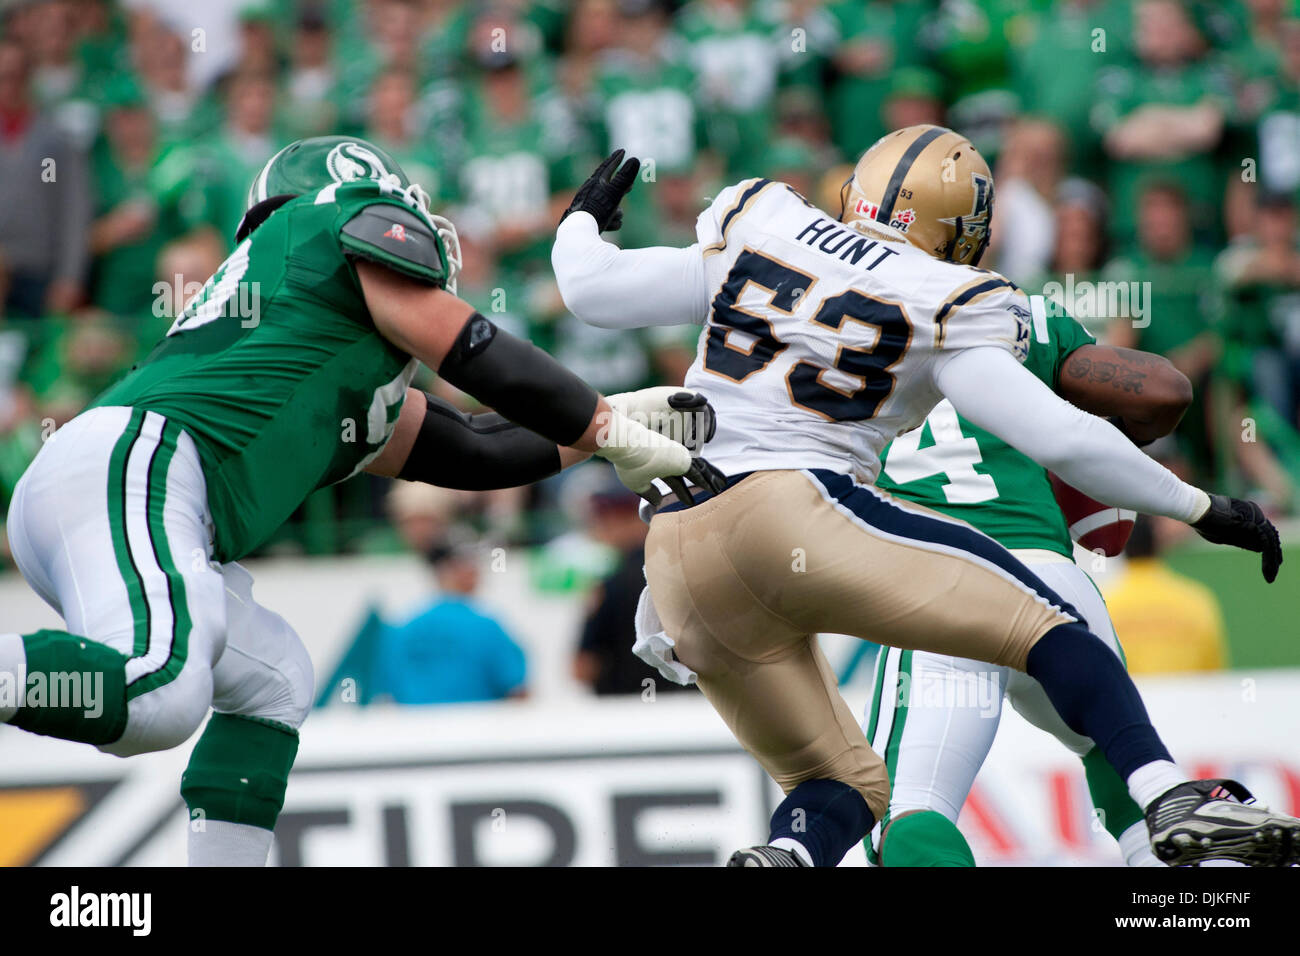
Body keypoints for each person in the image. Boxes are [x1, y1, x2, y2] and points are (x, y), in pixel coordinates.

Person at [551, 128, 1291, 868]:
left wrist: (582, 220)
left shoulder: (763, 222)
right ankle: (1166, 792)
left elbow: (588, 290)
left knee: (847, 785)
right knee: (1050, 624)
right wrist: (1200, 507)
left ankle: (786, 856)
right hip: (798, 507)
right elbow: (1066, 438)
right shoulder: (952, 299)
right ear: (963, 228)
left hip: (680, 557)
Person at [0, 135, 709, 866]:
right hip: (139, 467)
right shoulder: (328, 218)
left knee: (274, 680)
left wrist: (617, 417)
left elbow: (477, 445)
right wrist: (601, 422)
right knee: (161, 693)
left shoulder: (317, 345)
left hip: (117, 487)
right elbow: (472, 349)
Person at [865, 312, 1193, 868]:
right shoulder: (1016, 314)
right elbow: (1163, 393)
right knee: (1133, 780)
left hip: (945, 583)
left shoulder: (831, 324)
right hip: (1057, 583)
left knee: (905, 815)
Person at [372, 535, 528, 705]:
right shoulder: (486, 627)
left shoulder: (402, 629)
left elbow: (387, 692)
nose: (477, 569)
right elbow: (517, 690)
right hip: (478, 727)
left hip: (416, 728)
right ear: (449, 569)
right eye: (470, 562)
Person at [1103, 516, 1229, 675]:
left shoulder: (1106, 604)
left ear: (1123, 550)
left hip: (1131, 697)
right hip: (1188, 696)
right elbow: (1214, 670)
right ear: (1157, 546)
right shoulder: (1195, 599)